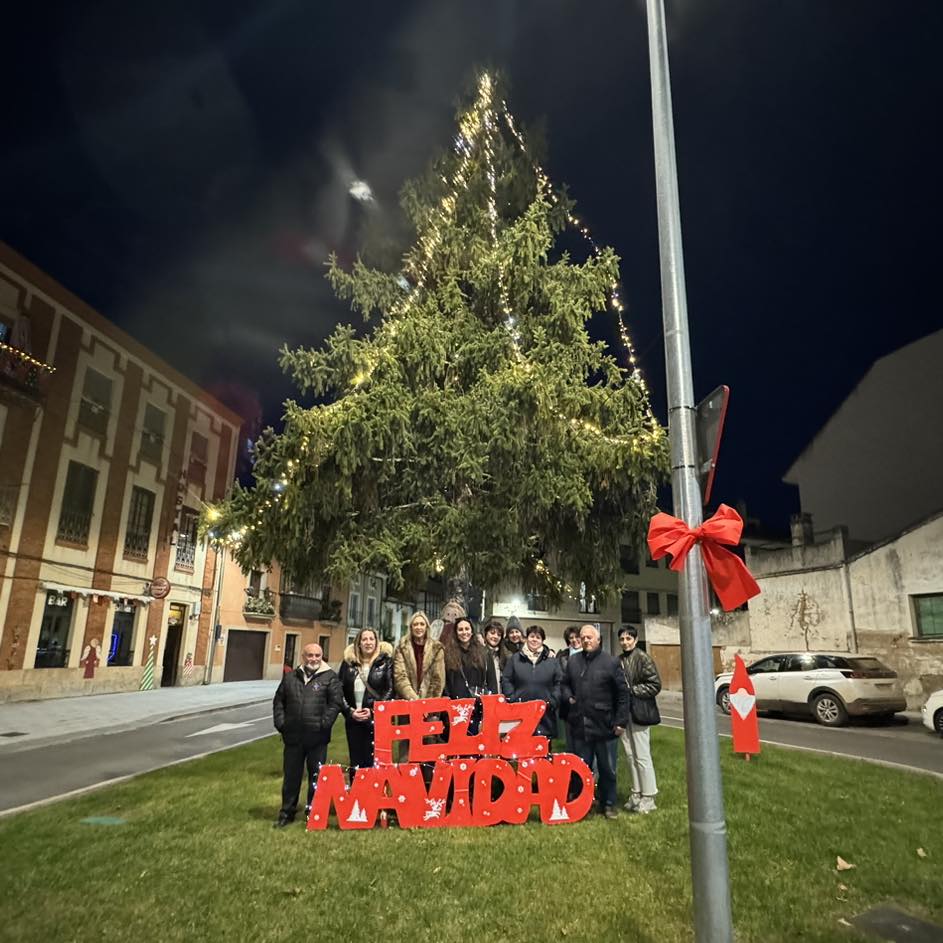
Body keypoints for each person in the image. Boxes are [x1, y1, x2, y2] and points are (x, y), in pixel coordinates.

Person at [272, 642, 344, 827]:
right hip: (293, 736)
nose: (313, 659)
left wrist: (324, 724)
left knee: (316, 776)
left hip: (317, 738)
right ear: (303, 657)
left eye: (317, 656)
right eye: (310, 655)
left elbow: (335, 703)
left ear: (322, 657)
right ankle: (287, 812)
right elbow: (279, 701)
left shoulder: (330, 678)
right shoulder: (290, 677)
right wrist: (281, 723)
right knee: (291, 776)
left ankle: (313, 811)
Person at [563, 624, 630, 819]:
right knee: (582, 767)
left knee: (607, 768)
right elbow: (565, 684)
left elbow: (623, 694)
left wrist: (621, 722)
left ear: (598, 639)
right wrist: (568, 697)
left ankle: (608, 803)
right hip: (580, 725)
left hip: (606, 725)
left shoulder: (611, 662)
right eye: (582, 637)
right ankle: (583, 802)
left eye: (589, 637)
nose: (585, 640)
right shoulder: (573, 661)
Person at [338, 627, 394, 777]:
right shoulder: (348, 663)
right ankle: (357, 796)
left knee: (374, 760)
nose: (368, 642)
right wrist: (349, 712)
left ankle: (373, 797)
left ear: (377, 642)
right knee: (356, 761)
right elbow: (338, 690)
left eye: (371, 639)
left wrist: (374, 711)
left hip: (376, 721)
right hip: (354, 720)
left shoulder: (385, 662)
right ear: (359, 643)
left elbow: (390, 690)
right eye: (364, 639)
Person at [618, 627, 662, 814]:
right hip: (625, 713)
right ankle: (636, 792)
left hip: (640, 712)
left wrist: (633, 690)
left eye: (629, 638)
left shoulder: (643, 658)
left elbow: (655, 684)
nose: (625, 642)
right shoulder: (619, 660)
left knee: (642, 755)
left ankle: (649, 796)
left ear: (635, 640)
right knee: (630, 754)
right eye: (622, 639)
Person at [501, 625, 562, 738]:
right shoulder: (515, 659)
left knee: (542, 751)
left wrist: (552, 701)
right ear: (526, 638)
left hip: (545, 714)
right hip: (519, 713)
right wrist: (512, 698)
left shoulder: (552, 661)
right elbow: (506, 679)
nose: (534, 639)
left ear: (542, 641)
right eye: (532, 636)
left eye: (538, 637)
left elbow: (559, 682)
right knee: (519, 747)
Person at [393, 611, 446, 700]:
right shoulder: (402, 648)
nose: (419, 627)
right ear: (411, 627)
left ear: (426, 627)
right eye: (415, 624)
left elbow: (438, 679)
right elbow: (400, 677)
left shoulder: (436, 648)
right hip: (407, 702)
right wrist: (414, 699)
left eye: (422, 624)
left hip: (430, 704)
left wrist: (426, 704)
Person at [443, 617, 488, 699]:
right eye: (460, 629)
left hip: (477, 701)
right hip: (456, 703)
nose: (464, 632)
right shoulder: (448, 654)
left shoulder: (482, 653)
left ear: (472, 631)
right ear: (456, 633)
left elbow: (488, 679)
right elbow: (445, 680)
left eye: (467, 629)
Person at [556, 626, 582, 751]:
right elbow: (561, 680)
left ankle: (589, 769)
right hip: (569, 704)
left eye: (577, 637)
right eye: (571, 638)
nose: (574, 640)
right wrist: (569, 697)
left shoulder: (590, 653)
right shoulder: (562, 657)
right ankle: (572, 769)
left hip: (587, 705)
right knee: (571, 740)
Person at [481, 618, 505, 694]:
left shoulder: (503, 655)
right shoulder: (480, 654)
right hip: (485, 698)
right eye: (492, 633)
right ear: (485, 633)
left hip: (501, 698)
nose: (495, 636)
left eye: (499, 635)